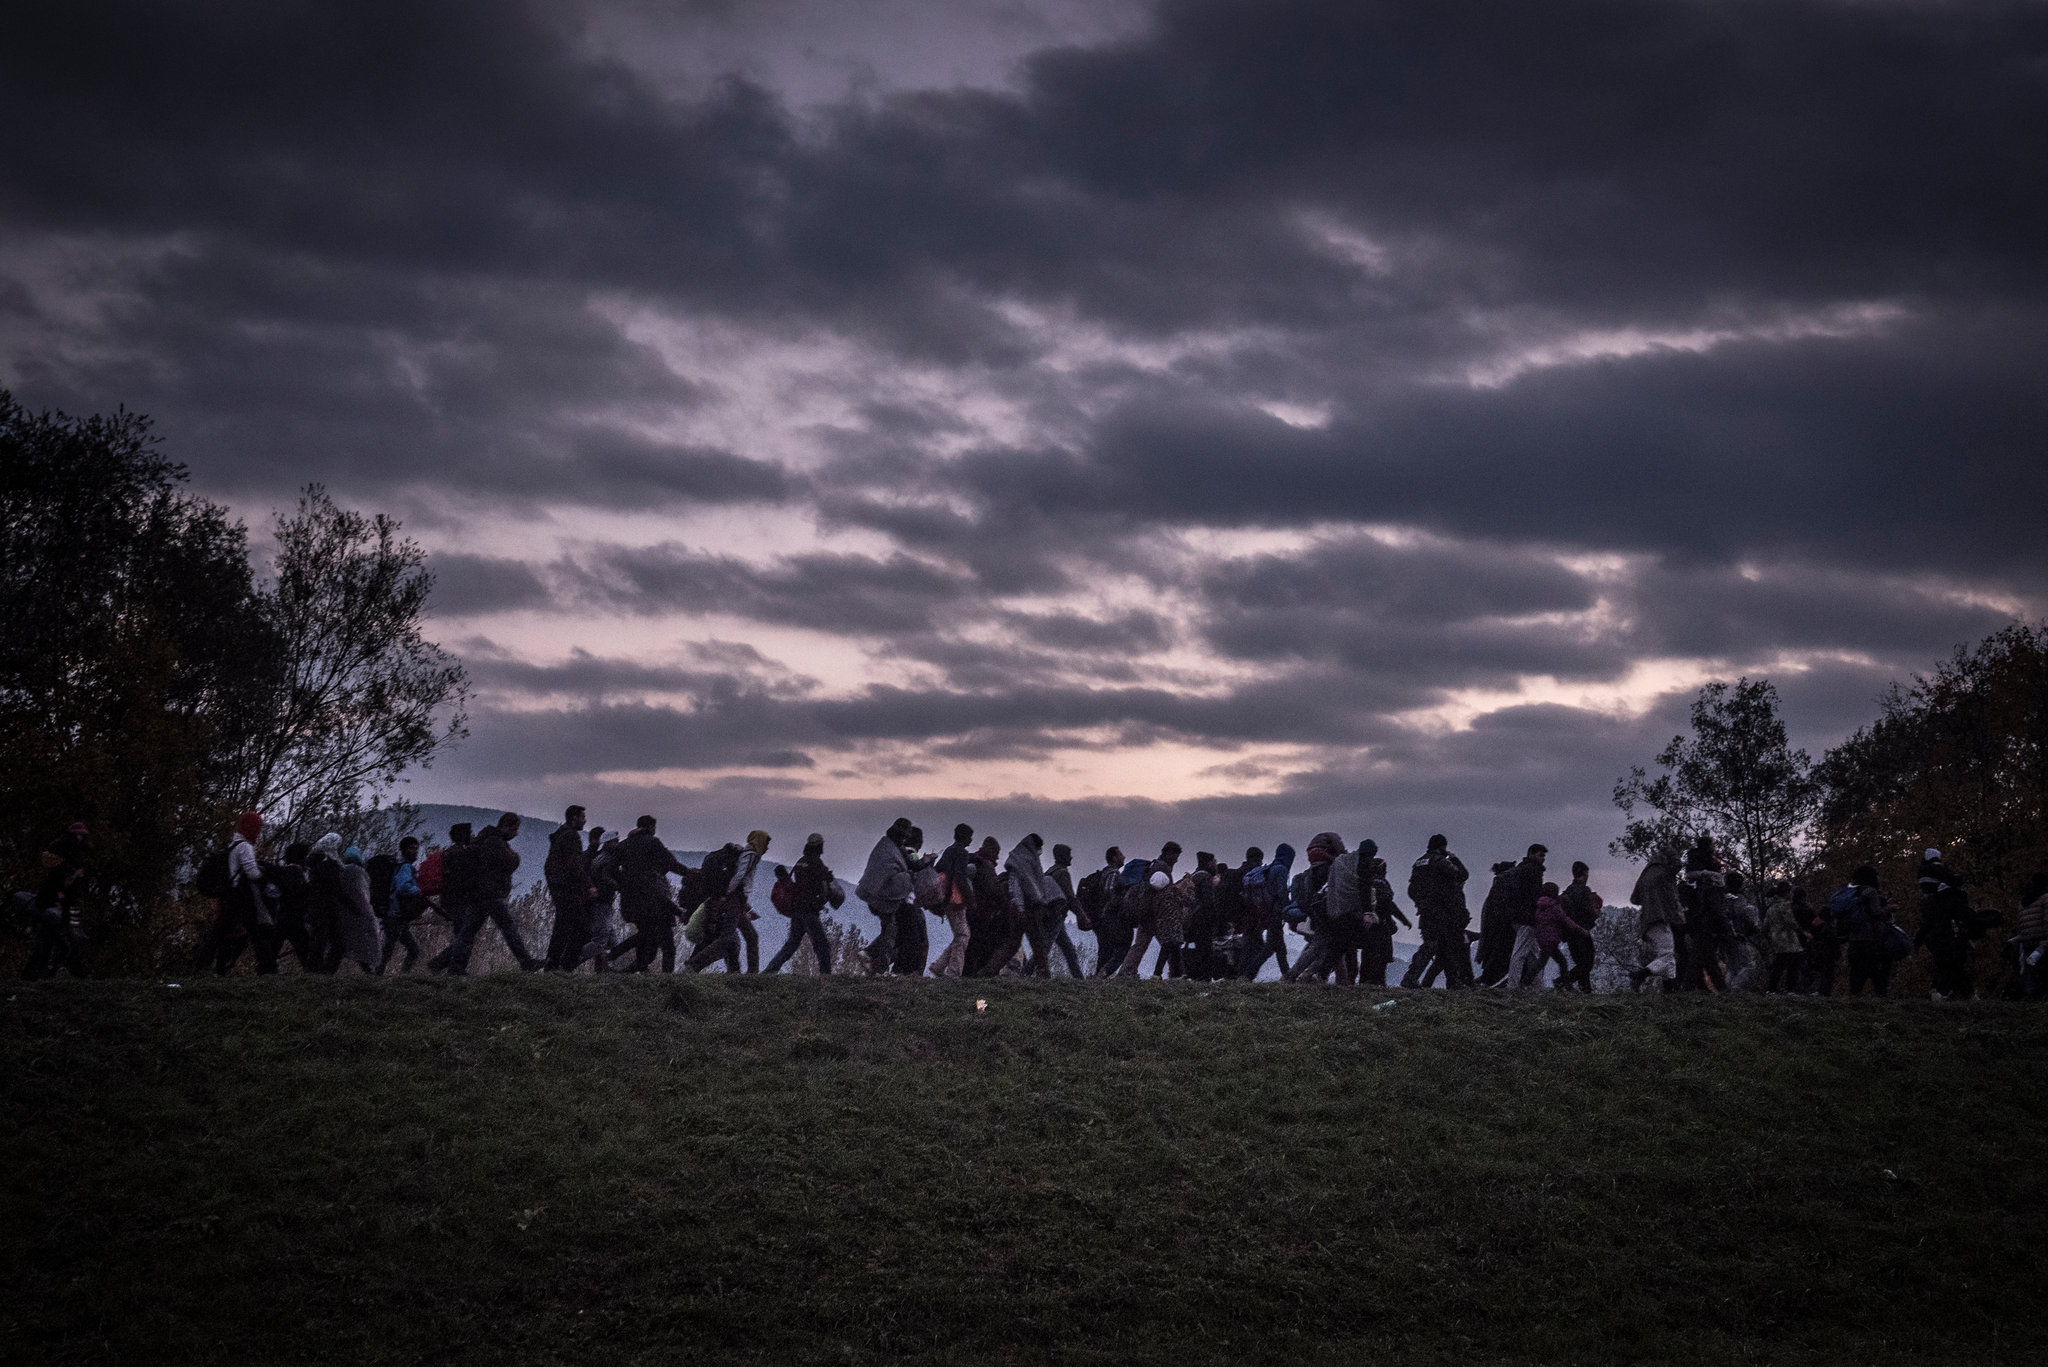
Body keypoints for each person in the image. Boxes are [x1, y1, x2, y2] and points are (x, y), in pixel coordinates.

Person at [436, 814, 539, 975]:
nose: (516, 833)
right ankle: (525, 961)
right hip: (491, 893)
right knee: (508, 927)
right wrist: (515, 856)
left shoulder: (485, 839)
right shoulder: (494, 841)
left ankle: (452, 967)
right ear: (505, 826)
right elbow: (509, 863)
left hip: (478, 894)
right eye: (515, 829)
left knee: (467, 933)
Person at [602, 816, 692, 973]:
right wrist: (691, 874)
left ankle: (620, 967)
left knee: (645, 940)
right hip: (653, 903)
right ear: (651, 827)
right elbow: (672, 864)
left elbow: (609, 870)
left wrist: (624, 885)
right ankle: (666, 983)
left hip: (631, 903)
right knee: (664, 945)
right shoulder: (653, 843)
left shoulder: (624, 845)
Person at [688, 830, 769, 972]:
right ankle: (694, 964)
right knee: (727, 937)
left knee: (750, 936)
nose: (767, 847)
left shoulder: (745, 853)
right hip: (735, 899)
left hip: (738, 900)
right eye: (766, 842)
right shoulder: (750, 855)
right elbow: (739, 875)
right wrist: (727, 894)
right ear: (759, 841)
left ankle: (751, 974)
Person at [23, 822, 91, 979]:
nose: (82, 839)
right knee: (64, 946)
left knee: (47, 947)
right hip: (56, 912)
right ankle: (61, 975)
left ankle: (35, 977)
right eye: (81, 835)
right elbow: (62, 889)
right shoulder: (66, 866)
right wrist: (62, 899)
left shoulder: (57, 864)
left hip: (50, 910)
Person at [1404, 835, 1472, 990]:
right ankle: (1449, 982)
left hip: (1426, 911)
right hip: (1443, 911)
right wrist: (1454, 859)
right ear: (1443, 847)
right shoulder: (1440, 861)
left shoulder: (1419, 863)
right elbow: (1462, 874)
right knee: (1443, 945)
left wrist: (1421, 904)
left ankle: (1414, 977)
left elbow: (1411, 889)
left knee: (1437, 945)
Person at [1915, 849, 1982, 1000]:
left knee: (1950, 965)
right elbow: (1965, 915)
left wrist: (1919, 939)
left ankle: (1964, 994)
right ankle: (1946, 993)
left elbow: (1927, 923)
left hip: (1936, 935)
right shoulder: (1951, 896)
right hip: (1951, 934)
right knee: (1953, 964)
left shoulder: (1927, 892)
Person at [766, 834, 835, 974]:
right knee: (822, 946)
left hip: (797, 909)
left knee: (791, 944)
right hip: (809, 910)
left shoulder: (801, 861)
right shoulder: (816, 863)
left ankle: (770, 971)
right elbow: (824, 878)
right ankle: (826, 977)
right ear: (820, 846)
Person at [1116, 842, 1185, 977]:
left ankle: (1126, 972)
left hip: (1146, 912)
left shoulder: (1154, 866)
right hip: (1157, 914)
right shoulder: (1162, 869)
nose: (1176, 860)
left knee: (1141, 945)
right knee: (1171, 943)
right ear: (1169, 854)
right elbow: (1164, 893)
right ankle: (1177, 973)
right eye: (1176, 856)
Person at [1284, 835, 1346, 983]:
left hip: (1315, 914)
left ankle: (1307, 977)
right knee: (1330, 948)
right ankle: (1299, 976)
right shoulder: (1332, 870)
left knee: (1323, 947)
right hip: (1331, 916)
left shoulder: (1310, 873)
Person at [858, 818, 916, 976]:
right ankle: (878, 964)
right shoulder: (893, 851)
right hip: (883, 897)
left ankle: (874, 963)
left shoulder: (888, 847)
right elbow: (890, 875)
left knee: (889, 930)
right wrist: (908, 877)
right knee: (890, 931)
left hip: (875, 894)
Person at [543, 805, 597, 972]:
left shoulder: (560, 836)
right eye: (582, 817)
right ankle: (565, 965)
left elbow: (549, 866)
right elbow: (575, 866)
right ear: (574, 818)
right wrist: (588, 885)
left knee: (562, 929)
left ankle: (552, 966)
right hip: (568, 891)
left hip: (561, 890)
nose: (585, 820)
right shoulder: (571, 837)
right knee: (584, 930)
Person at [1237, 843, 1295, 980]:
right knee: (1270, 948)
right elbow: (1281, 892)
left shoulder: (1269, 868)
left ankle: (1288, 976)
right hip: (1275, 913)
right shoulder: (1281, 869)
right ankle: (1247, 975)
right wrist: (1287, 909)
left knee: (1277, 947)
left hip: (1266, 912)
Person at [1629, 844, 1683, 992]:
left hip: (1647, 921)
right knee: (1667, 955)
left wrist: (1649, 898)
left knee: (1667, 957)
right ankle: (1640, 974)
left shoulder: (1646, 874)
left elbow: (1634, 899)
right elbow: (1678, 865)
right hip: (1661, 917)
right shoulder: (1665, 872)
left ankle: (1670, 991)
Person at [425, 823, 477, 974]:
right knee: (465, 936)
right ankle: (448, 966)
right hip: (458, 901)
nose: (472, 835)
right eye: (470, 832)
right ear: (464, 835)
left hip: (450, 900)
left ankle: (450, 966)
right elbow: (464, 878)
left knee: (461, 935)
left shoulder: (450, 852)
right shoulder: (460, 853)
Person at [930, 824, 979, 978]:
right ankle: (953, 972)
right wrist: (970, 899)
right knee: (963, 935)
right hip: (956, 900)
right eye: (970, 836)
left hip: (945, 899)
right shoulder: (962, 854)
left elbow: (940, 870)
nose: (971, 840)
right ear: (965, 837)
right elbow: (960, 877)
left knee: (960, 935)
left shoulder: (949, 851)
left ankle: (939, 967)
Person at [1682, 835, 1729, 992]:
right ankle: (1689, 989)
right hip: (1706, 923)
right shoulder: (1711, 885)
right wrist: (1725, 926)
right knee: (1700, 957)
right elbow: (1716, 908)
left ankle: (1718, 990)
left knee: (1705, 958)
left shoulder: (1693, 879)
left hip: (1696, 920)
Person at [1839, 865, 1894, 997]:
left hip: (1854, 940)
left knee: (1856, 977)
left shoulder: (1853, 892)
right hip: (1871, 940)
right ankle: (1882, 1006)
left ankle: (1854, 1004)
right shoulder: (1872, 892)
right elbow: (1876, 913)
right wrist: (1889, 908)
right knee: (1879, 977)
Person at [379, 836, 429, 973]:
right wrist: (418, 891)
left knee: (408, 949)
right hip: (395, 915)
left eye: (416, 848)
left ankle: (392, 976)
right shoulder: (405, 867)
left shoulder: (400, 866)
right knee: (393, 949)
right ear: (403, 850)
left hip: (396, 916)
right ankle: (378, 976)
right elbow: (402, 887)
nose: (415, 851)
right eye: (412, 848)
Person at [1502, 845, 1549, 989]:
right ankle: (1514, 985)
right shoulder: (1533, 872)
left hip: (1518, 916)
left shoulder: (1521, 870)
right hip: (1527, 918)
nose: (1543, 859)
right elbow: (1533, 896)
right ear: (1531, 854)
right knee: (1521, 953)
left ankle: (1537, 985)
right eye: (1540, 855)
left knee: (1533, 953)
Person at [892, 826, 934, 977]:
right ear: (920, 842)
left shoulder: (900, 853)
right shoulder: (912, 854)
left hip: (898, 901)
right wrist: (928, 862)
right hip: (908, 902)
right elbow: (918, 874)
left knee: (903, 937)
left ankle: (899, 970)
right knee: (914, 940)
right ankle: (907, 972)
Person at [1081, 846, 1129, 979]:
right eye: (1121, 855)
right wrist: (1121, 901)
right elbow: (1109, 891)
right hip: (1107, 918)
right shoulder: (1113, 873)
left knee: (1105, 950)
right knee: (1118, 947)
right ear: (1114, 858)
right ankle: (1102, 974)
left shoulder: (1104, 873)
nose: (1123, 857)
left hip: (1100, 918)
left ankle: (1098, 977)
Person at [1039, 843, 1086, 977]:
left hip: (1050, 916)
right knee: (1046, 948)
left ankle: (1079, 978)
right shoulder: (1062, 873)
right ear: (1063, 856)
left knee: (1068, 949)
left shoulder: (1050, 871)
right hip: (1056, 916)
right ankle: (1028, 972)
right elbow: (1071, 898)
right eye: (1069, 854)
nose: (1071, 858)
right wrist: (1082, 916)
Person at [1556, 861, 1601, 994]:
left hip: (1569, 931)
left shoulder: (1568, 890)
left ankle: (1586, 990)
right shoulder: (1584, 890)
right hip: (1582, 930)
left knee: (1581, 962)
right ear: (1584, 873)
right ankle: (1562, 981)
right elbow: (1587, 910)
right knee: (1587, 963)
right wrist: (1596, 913)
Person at [1475, 860, 1519, 986]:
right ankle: (1488, 981)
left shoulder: (1498, 885)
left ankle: (1487, 980)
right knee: (1501, 954)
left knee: (1497, 954)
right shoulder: (1505, 883)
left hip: (1496, 926)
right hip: (1502, 925)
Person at [1760, 880, 1806, 992]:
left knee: (1778, 965)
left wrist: (1764, 938)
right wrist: (1803, 932)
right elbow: (1790, 921)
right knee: (1794, 965)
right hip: (1789, 940)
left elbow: (1765, 925)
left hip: (1776, 940)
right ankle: (1790, 989)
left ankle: (1771, 989)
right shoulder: (1785, 905)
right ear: (1787, 892)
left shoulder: (1771, 907)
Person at [1533, 882, 1577, 986]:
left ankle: (1566, 985)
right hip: (1550, 940)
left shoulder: (1539, 906)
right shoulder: (1554, 907)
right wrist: (1578, 929)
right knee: (1542, 963)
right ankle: (1524, 983)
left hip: (1543, 939)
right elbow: (1565, 919)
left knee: (1561, 962)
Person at [1800, 884, 1839, 996]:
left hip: (1814, 953)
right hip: (1827, 954)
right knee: (1827, 976)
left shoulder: (1814, 924)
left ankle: (1810, 992)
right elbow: (1834, 943)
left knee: (1811, 974)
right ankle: (1823, 993)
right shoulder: (1829, 928)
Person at [2014, 873, 2048, 1001]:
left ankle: (2031, 1001)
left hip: (2027, 941)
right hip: (2042, 943)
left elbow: (2021, 924)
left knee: (2031, 975)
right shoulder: (2045, 898)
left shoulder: (2024, 901)